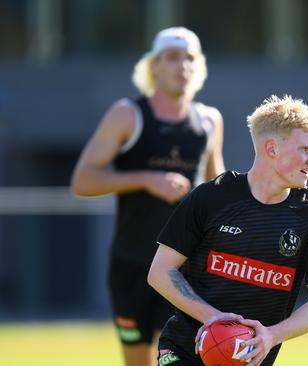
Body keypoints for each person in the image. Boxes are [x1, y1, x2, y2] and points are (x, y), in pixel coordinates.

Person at [147, 94, 308, 366]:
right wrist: (212, 317)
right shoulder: (211, 198)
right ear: (272, 149)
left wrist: (272, 335)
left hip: (250, 358)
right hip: (184, 350)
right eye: (305, 149)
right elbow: (160, 272)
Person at [70, 27, 225, 366]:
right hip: (132, 263)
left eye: (189, 58)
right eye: (172, 57)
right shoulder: (127, 114)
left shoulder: (209, 121)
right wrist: (147, 179)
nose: (181, 66)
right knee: (138, 361)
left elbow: (218, 192)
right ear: (153, 66)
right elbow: (82, 181)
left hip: (184, 270)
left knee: (180, 358)